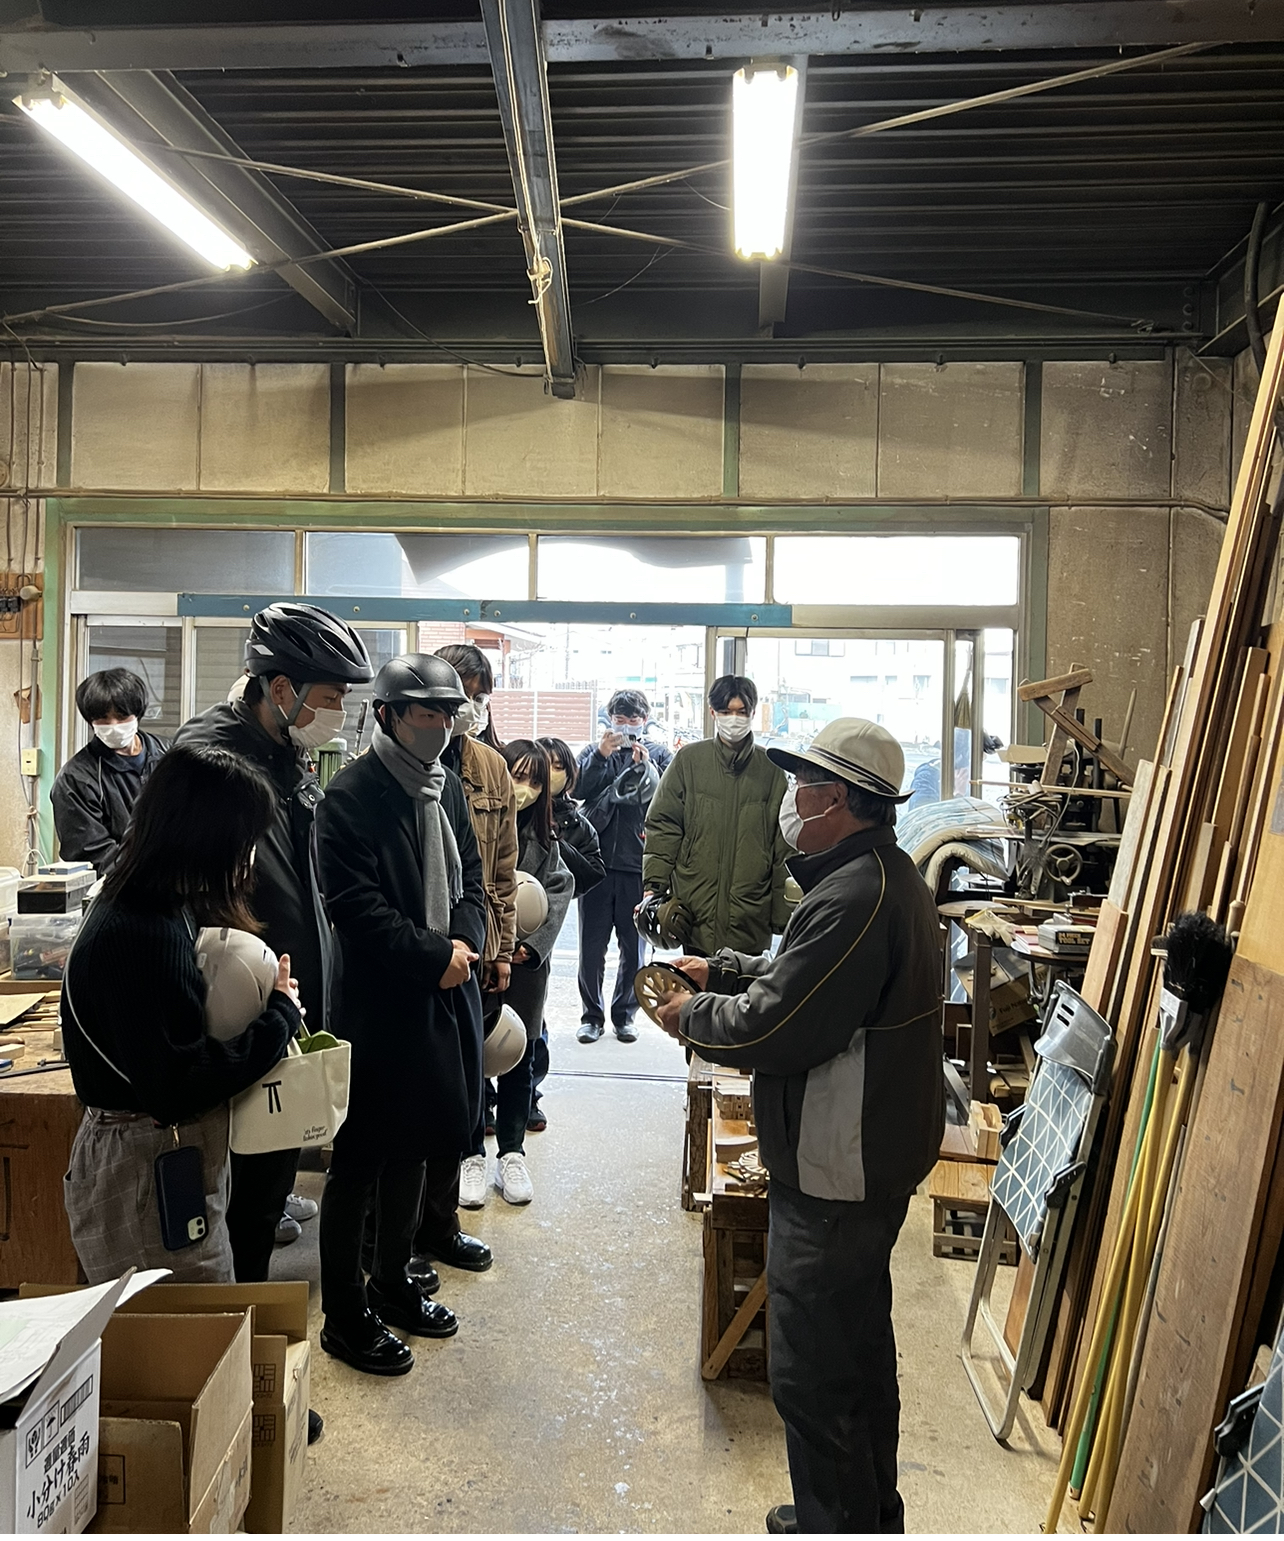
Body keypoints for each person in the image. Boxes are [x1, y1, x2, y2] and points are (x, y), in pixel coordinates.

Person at [654, 718, 944, 1536]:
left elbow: (781, 1024)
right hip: (862, 1159)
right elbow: (809, 980)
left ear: (842, 800)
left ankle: (836, 1521)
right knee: (855, 1352)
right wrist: (732, 969)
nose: (793, 798)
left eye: (806, 785)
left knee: (815, 1370)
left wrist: (693, 1012)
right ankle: (856, 1509)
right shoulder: (875, 875)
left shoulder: (857, 895)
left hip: (835, 1169)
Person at [175, 603, 373, 1279]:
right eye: (330, 697)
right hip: (236, 1002)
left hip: (285, 996)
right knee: (234, 1197)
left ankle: (251, 1325)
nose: (338, 713)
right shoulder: (212, 760)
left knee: (267, 1178)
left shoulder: (287, 751)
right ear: (281, 690)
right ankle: (241, 1343)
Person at [61, 744, 300, 1284]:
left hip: (146, 1154)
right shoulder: (143, 932)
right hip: (145, 1167)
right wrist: (279, 1017)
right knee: (184, 1342)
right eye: (245, 841)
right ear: (208, 836)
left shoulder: (145, 900)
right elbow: (179, 1085)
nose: (249, 857)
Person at [315, 653, 486, 1376]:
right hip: (380, 1002)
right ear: (386, 714)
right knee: (359, 1159)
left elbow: (471, 873)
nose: (441, 728)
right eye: (426, 713)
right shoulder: (348, 797)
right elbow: (355, 907)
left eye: (450, 715)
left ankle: (393, 1284)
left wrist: (467, 942)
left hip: (445, 989)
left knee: (417, 1142)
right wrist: (432, 955)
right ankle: (345, 1316)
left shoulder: (442, 788)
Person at [412, 642, 517, 1241]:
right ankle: (409, 1225)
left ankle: (444, 1214)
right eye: (460, 694)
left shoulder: (488, 767)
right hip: (414, 955)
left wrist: (496, 948)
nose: (469, 708)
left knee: (462, 1083)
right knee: (414, 1094)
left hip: (472, 948)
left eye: (478, 697)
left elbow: (497, 870)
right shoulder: (388, 770)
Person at [642, 674, 790, 956]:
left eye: (741, 712)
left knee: (745, 998)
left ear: (753, 713)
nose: (733, 719)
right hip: (694, 912)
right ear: (712, 713)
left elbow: (783, 847)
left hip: (750, 917)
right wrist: (654, 886)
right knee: (697, 996)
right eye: (725, 711)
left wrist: (782, 917)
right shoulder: (688, 761)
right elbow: (664, 826)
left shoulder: (771, 771)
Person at [486, 740, 572, 1204]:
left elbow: (559, 890)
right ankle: (470, 1151)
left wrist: (531, 947)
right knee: (476, 1049)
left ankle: (512, 1152)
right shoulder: (476, 826)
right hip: (481, 958)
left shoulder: (546, 841)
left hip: (526, 967)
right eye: (517, 776)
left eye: (534, 781)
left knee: (518, 1051)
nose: (524, 789)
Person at [575, 689, 672, 1043]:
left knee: (634, 949)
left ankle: (625, 1015)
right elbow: (578, 790)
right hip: (596, 865)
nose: (628, 725)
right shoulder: (595, 750)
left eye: (634, 719)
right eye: (621, 718)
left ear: (645, 721)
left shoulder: (659, 754)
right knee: (591, 947)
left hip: (637, 865)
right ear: (610, 718)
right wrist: (602, 754)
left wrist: (646, 766)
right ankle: (591, 1016)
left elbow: (663, 806)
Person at [529, 735, 604, 1130]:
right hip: (498, 925)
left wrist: (554, 843)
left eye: (560, 766)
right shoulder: (512, 810)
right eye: (545, 765)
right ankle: (487, 1096)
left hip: (545, 926)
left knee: (533, 1016)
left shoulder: (576, 822)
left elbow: (592, 874)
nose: (551, 774)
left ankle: (529, 1095)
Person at [51, 668, 168, 873]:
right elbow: (90, 852)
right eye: (103, 719)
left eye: (122, 716)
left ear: (137, 713)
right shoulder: (76, 779)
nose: (113, 726)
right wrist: (151, 874)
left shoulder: (170, 756)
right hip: (119, 889)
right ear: (90, 720)